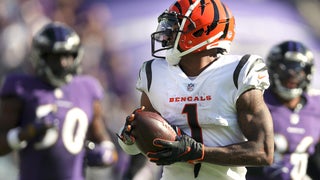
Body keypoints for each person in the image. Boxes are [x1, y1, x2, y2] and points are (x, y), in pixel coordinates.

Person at [117, 0, 275, 179]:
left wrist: (198, 152)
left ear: (201, 31)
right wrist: (130, 139)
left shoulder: (239, 72)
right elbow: (147, 144)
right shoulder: (154, 73)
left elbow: (263, 151)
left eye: (174, 26)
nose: (166, 33)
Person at [0, 22, 118, 180]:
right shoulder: (21, 87)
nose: (62, 63)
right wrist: (26, 133)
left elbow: (102, 137)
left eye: (67, 56)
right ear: (40, 57)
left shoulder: (87, 88)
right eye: (56, 56)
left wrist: (106, 152)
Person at [246, 40, 320, 180]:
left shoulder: (316, 105)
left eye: (299, 69)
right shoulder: (256, 100)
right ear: (272, 69)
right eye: (285, 68)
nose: (292, 75)